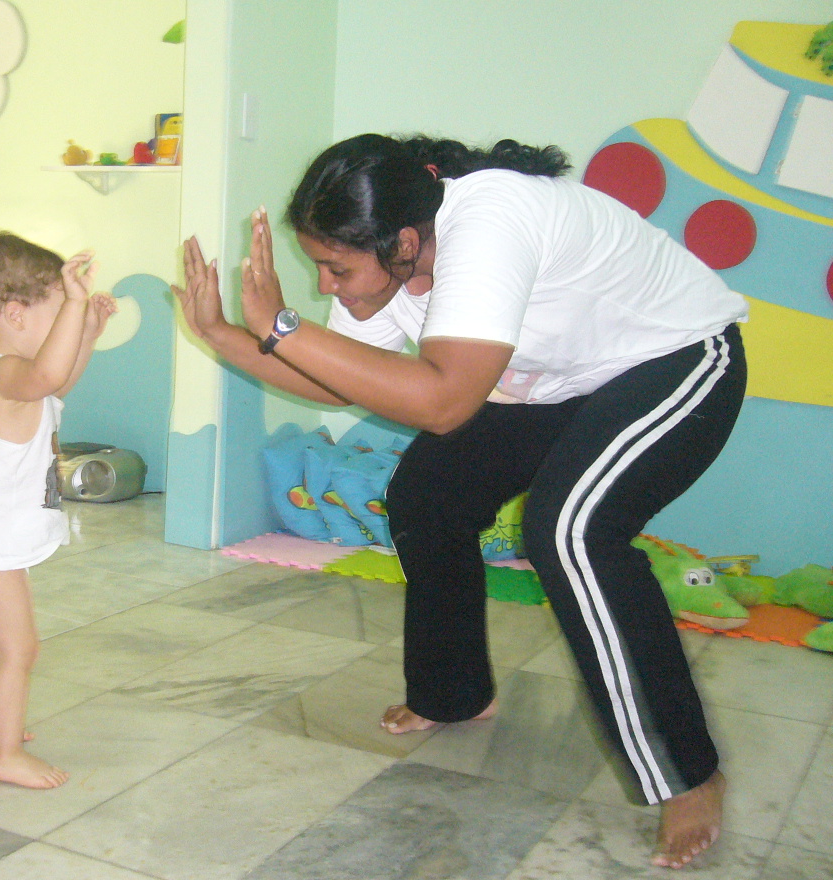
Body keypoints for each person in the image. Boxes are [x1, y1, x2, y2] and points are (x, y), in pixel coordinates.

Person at [173, 133, 748, 869]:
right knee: (428, 494)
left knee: (570, 530)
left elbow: (444, 402)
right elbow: (344, 378)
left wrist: (282, 327)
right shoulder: (394, 267)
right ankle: (454, 692)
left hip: (676, 357)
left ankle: (687, 773)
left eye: (336, 268)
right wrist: (224, 332)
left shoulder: (490, 220)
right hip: (561, 381)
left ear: (405, 241)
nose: (326, 287)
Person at [0, 232, 117, 790]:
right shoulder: (7, 372)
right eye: (57, 316)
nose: (65, 327)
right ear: (14, 314)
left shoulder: (1, 373)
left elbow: (59, 384)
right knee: (18, 651)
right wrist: (77, 309)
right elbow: (48, 376)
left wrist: (85, 335)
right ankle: (3, 753)